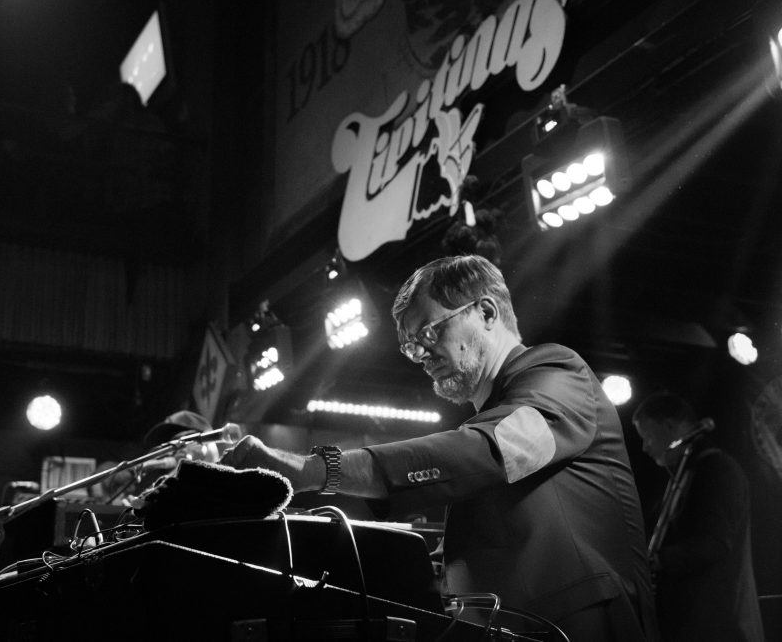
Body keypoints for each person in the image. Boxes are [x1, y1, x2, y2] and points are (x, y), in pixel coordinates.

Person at [221, 254, 657, 641]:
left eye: (428, 332)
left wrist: (317, 469)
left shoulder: (560, 373)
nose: (421, 355)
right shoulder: (489, 417)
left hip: (577, 625)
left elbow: (487, 452)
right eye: (411, 346)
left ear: (486, 311)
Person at [632, 392, 764, 642]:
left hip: (713, 624)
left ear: (668, 426)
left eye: (647, 436)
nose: (645, 447)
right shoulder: (687, 471)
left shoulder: (717, 469)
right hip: (690, 622)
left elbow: (715, 544)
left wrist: (657, 560)